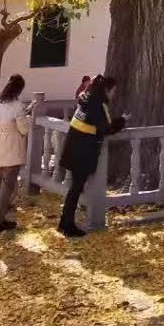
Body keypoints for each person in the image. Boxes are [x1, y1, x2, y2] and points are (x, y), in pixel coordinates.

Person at [57, 74, 126, 238]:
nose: (113, 95)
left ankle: (64, 222)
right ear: (106, 90)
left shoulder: (86, 100)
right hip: (83, 151)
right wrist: (122, 120)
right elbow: (106, 129)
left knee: (74, 189)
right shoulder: (97, 104)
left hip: (73, 147)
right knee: (75, 189)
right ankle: (67, 225)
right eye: (113, 91)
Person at [0, 74, 31, 234]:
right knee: (6, 187)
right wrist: (27, 117)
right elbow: (24, 129)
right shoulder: (17, 106)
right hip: (12, 147)